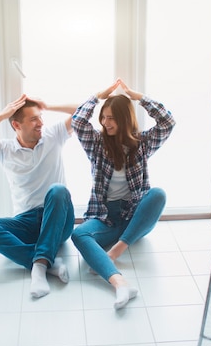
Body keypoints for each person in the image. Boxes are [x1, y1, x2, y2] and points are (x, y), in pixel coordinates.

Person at [71, 78, 176, 309]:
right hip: (105, 217)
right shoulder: (97, 144)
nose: (105, 122)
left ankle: (115, 251)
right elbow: (78, 122)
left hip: (134, 216)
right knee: (79, 235)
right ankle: (120, 284)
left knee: (157, 194)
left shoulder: (142, 144)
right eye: (103, 117)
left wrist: (140, 98)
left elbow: (168, 122)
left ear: (124, 119)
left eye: (111, 118)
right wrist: (97, 96)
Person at [0, 94, 77, 299]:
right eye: (34, 119)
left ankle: (40, 267)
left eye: (41, 117)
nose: (41, 123)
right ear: (16, 124)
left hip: (58, 217)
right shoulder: (5, 149)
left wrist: (47, 105)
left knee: (58, 190)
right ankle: (45, 260)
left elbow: (84, 111)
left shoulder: (54, 135)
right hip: (27, 221)